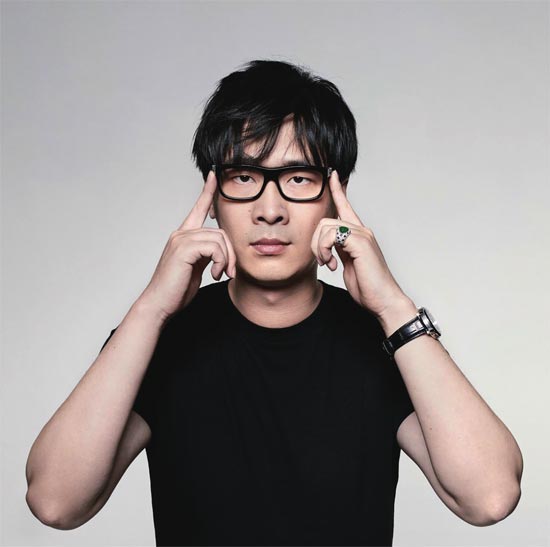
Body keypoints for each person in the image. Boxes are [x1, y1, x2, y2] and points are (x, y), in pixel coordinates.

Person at [25, 59, 523, 546]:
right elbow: (56, 502)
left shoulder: (384, 339)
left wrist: (393, 306)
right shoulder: (161, 338)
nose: (269, 210)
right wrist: (151, 307)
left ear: (336, 195)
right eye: (243, 177)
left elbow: (490, 497)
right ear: (212, 195)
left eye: (298, 178)